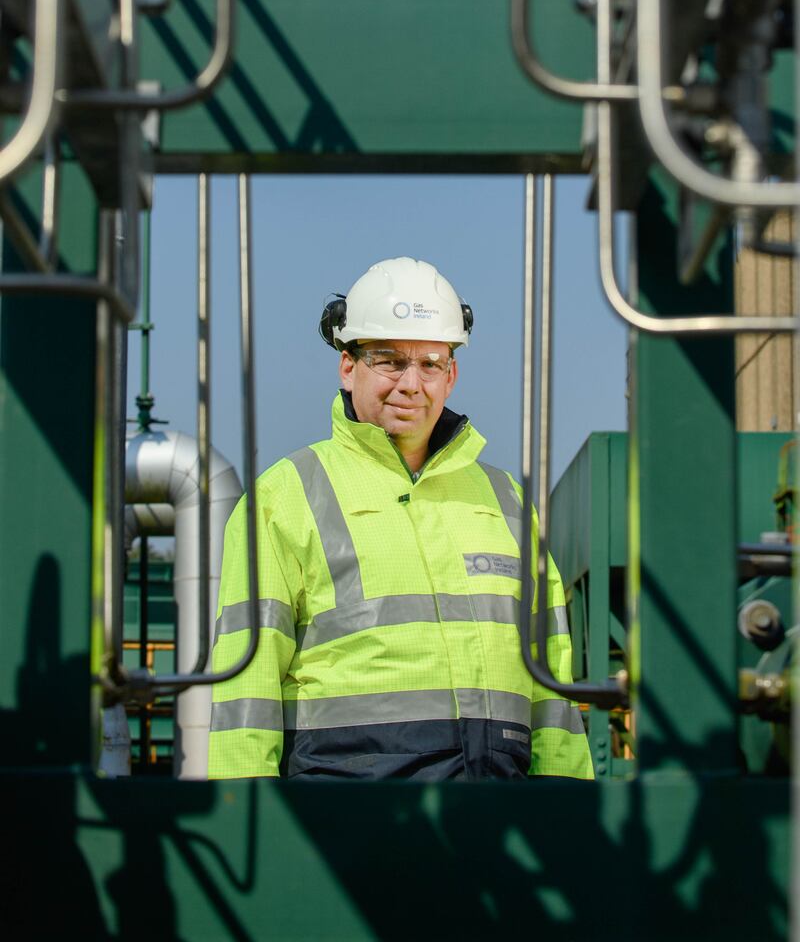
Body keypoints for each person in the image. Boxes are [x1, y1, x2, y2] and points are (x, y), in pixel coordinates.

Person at [208, 257, 592, 781]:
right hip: (345, 830)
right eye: (389, 361)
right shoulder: (285, 497)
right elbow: (243, 691)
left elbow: (552, 691)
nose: (411, 384)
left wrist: (564, 820)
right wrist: (246, 827)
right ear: (349, 365)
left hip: (499, 831)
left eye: (430, 363)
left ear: (451, 374)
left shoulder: (505, 501)